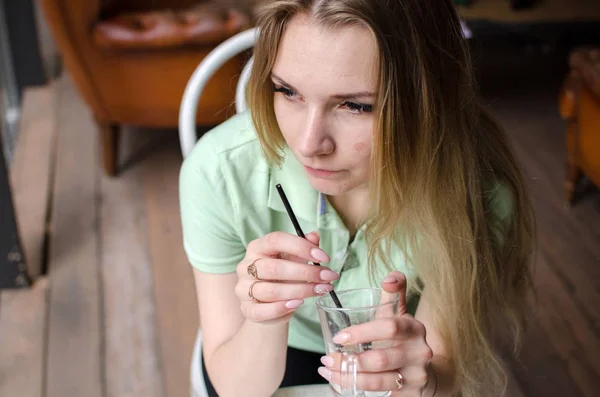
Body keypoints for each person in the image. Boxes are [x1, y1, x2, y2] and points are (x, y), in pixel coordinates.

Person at [179, 0, 536, 396]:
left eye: (355, 105)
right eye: (288, 91)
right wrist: (266, 319)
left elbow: (441, 368)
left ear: (426, 103)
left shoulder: (479, 194)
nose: (309, 143)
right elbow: (234, 387)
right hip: (274, 355)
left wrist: (423, 380)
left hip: (398, 351)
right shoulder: (219, 171)